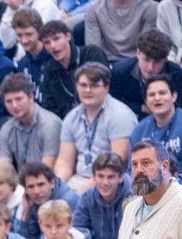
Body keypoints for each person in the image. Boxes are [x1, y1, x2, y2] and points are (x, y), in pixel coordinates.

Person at [55, 62, 136, 192]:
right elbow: (64, 163)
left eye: (94, 86)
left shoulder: (120, 115)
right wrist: (56, 187)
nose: (88, 90)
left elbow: (116, 164)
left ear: (106, 88)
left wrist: (79, 194)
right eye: (83, 85)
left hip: (109, 181)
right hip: (78, 179)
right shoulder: (71, 117)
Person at [129, 75, 182, 176]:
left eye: (162, 93)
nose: (157, 98)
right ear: (146, 101)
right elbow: (130, 170)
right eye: (152, 95)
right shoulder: (140, 130)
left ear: (174, 96)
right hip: (147, 186)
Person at [38, 20, 110, 120]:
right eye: (47, 42)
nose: (53, 46)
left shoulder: (91, 53)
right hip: (69, 123)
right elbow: (50, 106)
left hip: (102, 114)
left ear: (68, 36)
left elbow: (104, 88)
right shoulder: (49, 69)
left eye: (56, 39)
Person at [109, 28, 182, 117]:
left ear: (166, 59)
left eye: (157, 62)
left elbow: (181, 108)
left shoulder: (177, 74)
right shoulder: (119, 71)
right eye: (146, 60)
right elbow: (112, 104)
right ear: (138, 53)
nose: (150, 67)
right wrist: (140, 107)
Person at [0, 73, 62, 170]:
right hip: (20, 182)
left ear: (31, 97)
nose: (14, 105)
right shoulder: (6, 129)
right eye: (9, 101)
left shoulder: (50, 125)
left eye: (19, 99)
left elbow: (47, 169)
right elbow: (3, 169)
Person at [14, 161, 79, 239]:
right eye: (31, 187)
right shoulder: (31, 201)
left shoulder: (67, 202)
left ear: (52, 183)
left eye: (41, 185)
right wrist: (25, 213)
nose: (36, 191)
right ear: (25, 190)